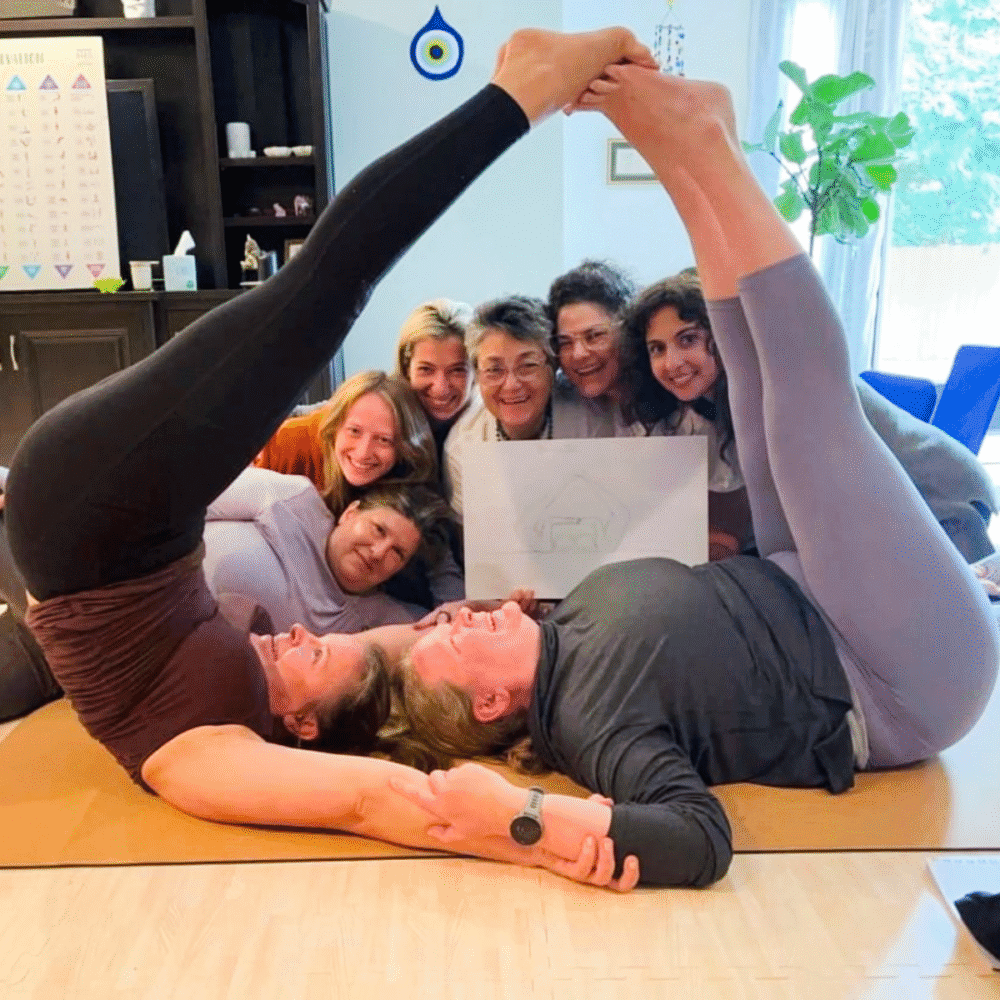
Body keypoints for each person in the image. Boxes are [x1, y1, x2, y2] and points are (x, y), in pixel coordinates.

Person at [3, 27, 658, 891]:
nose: (298, 636)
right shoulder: (286, 696)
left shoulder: (197, 760)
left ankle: (521, 91)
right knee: (319, 298)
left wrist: (536, 830)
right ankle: (517, 91)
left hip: (86, 519)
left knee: (321, 293)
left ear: (301, 731)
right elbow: (398, 671)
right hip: (125, 527)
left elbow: (375, 801)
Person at [387, 67, 1000, 888]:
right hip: (895, 676)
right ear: (492, 703)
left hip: (803, 590)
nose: (457, 622)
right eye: (455, 642)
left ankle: (691, 149)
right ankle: (707, 148)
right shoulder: (590, 727)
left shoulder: (566, 635)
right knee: (805, 415)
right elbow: (698, 840)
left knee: (749, 394)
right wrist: (517, 814)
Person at [622, 270, 1000, 562]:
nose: (671, 363)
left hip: (938, 496)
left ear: (723, 336)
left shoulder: (780, 385)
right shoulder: (710, 401)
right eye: (657, 348)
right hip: (884, 509)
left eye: (687, 340)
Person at [203, 467, 453, 632]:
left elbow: (450, 626)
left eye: (397, 553)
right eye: (378, 529)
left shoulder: (383, 619)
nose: (378, 552)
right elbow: (185, 498)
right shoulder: (293, 498)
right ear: (350, 513)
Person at [443, 295, 617, 521]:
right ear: (477, 375)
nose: (512, 385)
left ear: (553, 368)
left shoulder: (593, 416)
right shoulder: (462, 448)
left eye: (527, 365)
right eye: (494, 370)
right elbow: (471, 544)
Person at [546, 258, 636, 421]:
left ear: (628, 330)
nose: (578, 354)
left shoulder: (676, 397)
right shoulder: (563, 403)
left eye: (594, 336)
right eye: (565, 342)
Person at [394, 299, 475, 468]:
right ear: (406, 367)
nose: (441, 387)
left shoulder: (490, 426)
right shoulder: (383, 421)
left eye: (457, 370)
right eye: (426, 369)